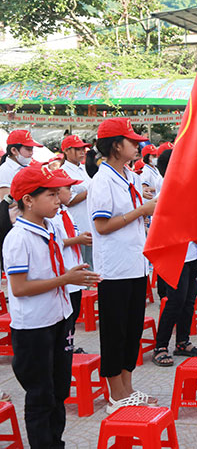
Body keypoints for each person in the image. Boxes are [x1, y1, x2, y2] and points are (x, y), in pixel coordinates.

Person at [1, 166, 100, 449]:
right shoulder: (18, 238)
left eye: (59, 193)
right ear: (28, 200)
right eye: (51, 194)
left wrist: (72, 273)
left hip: (58, 317)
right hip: (34, 328)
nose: (59, 199)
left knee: (58, 391)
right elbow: (18, 288)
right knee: (40, 396)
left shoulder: (50, 227)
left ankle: (56, 443)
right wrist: (65, 279)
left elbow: (50, 272)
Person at [88, 117, 158, 412]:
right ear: (117, 146)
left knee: (131, 329)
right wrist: (141, 210)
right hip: (115, 268)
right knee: (115, 332)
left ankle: (128, 388)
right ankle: (115, 395)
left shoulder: (128, 175)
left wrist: (144, 205)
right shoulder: (102, 181)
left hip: (135, 263)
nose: (138, 145)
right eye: (132, 141)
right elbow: (102, 225)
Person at [151, 150, 197, 367]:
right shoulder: (165, 185)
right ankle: (161, 345)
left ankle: (182, 341)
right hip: (176, 250)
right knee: (176, 299)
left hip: (195, 249)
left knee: (190, 299)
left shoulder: (190, 183)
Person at [51, 172, 93, 355]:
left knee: (74, 311)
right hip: (64, 271)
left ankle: (69, 344)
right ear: (56, 192)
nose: (71, 192)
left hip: (73, 267)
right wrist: (77, 240)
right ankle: (62, 347)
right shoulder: (51, 216)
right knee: (65, 315)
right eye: (68, 189)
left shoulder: (65, 211)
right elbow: (55, 242)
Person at [60, 135, 93, 267]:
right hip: (77, 224)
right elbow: (68, 200)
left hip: (89, 222)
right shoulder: (63, 172)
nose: (82, 152)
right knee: (82, 265)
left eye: (83, 149)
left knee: (90, 265)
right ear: (67, 151)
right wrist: (91, 191)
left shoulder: (83, 169)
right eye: (78, 149)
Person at [0, 130, 42, 201]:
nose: (31, 153)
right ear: (14, 150)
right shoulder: (5, 171)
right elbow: (7, 203)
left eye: (32, 149)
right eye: (28, 149)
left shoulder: (27, 167)